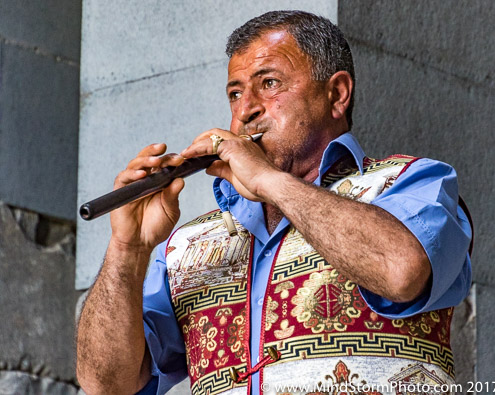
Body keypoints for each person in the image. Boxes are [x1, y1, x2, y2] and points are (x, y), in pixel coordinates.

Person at [76, 10, 472, 395]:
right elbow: (105, 386)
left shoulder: (413, 182)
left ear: (337, 95)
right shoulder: (185, 248)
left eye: (268, 83)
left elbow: (401, 270)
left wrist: (268, 180)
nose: (246, 109)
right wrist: (127, 249)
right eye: (235, 93)